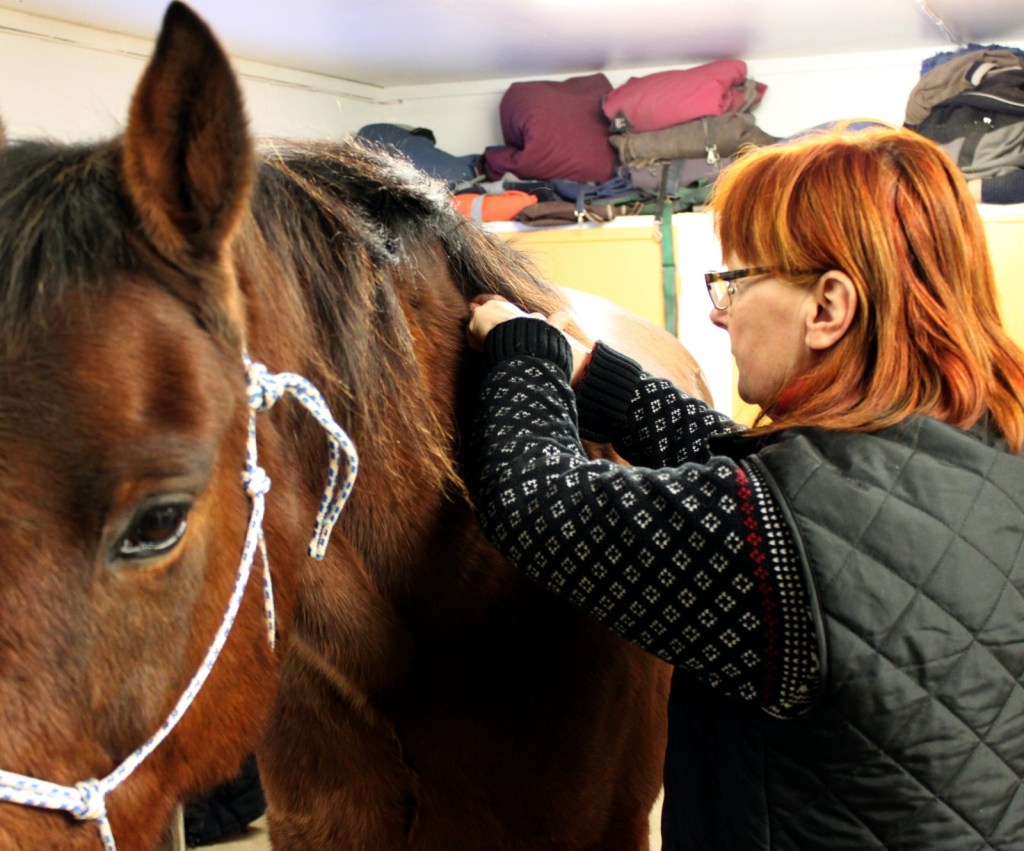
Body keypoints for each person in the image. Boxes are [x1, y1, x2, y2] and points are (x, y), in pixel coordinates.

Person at [464, 126, 1024, 849]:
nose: (718, 312)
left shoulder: (779, 529)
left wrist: (525, 352)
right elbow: (798, 490)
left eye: (737, 281)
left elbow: (537, 504)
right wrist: (599, 376)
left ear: (828, 307)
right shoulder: (988, 441)